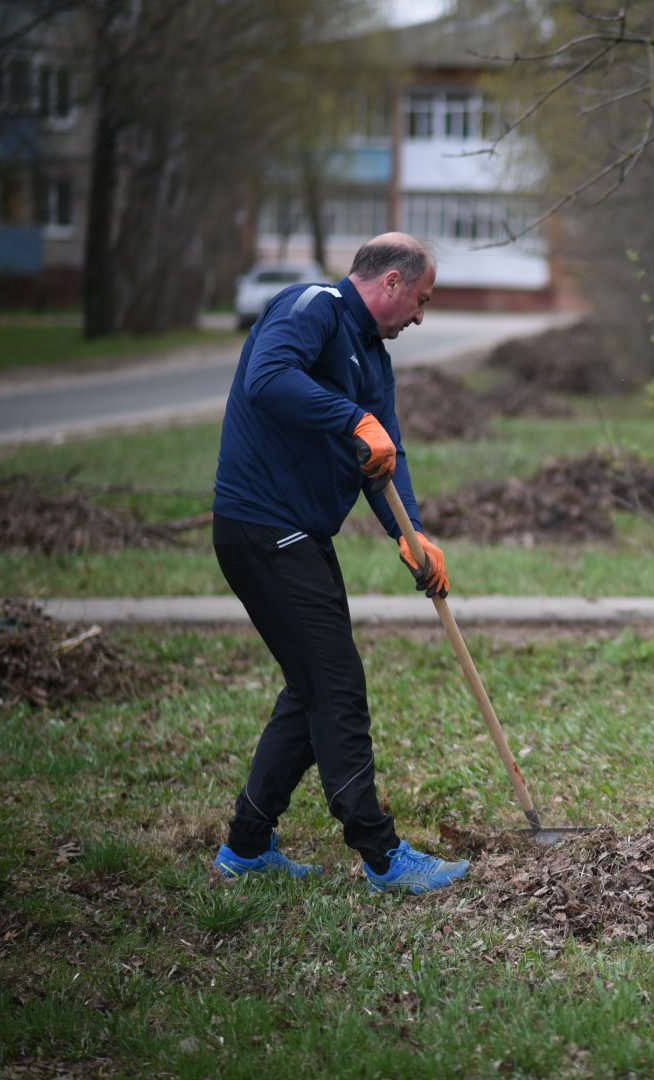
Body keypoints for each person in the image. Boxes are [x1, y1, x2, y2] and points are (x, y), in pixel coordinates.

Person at [209, 232, 469, 895]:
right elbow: (268, 380)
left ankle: (247, 845)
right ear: (390, 283)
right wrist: (352, 419)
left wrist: (410, 536)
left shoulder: (374, 360)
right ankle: (380, 855)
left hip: (299, 534)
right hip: (262, 528)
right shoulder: (312, 306)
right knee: (336, 687)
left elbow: (387, 458)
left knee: (310, 686)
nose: (420, 315)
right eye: (421, 299)